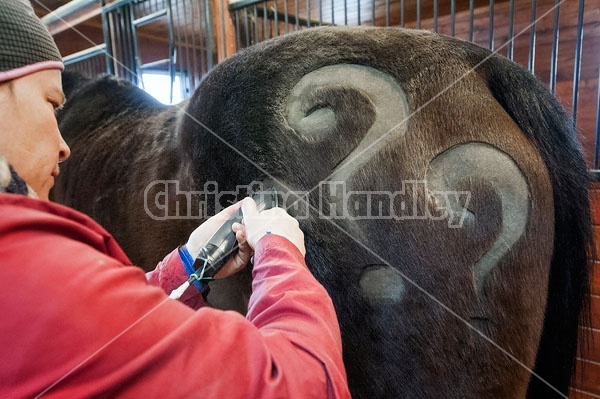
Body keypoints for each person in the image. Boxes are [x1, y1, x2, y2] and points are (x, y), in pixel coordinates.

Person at [0, 1, 350, 397]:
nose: (65, 147)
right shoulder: (28, 267)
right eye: (50, 103)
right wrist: (281, 252)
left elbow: (110, 336)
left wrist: (186, 267)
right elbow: (304, 386)